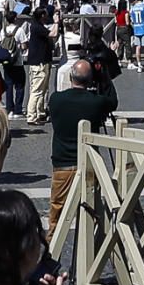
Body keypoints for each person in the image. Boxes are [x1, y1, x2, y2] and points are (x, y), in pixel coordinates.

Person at [43, 54, 118, 229]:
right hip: (89, 164)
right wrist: (104, 76)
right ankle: (92, 251)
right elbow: (112, 102)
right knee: (91, 213)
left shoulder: (56, 100)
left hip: (63, 165)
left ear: (71, 77)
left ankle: (51, 252)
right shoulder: (96, 103)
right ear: (91, 79)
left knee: (56, 216)